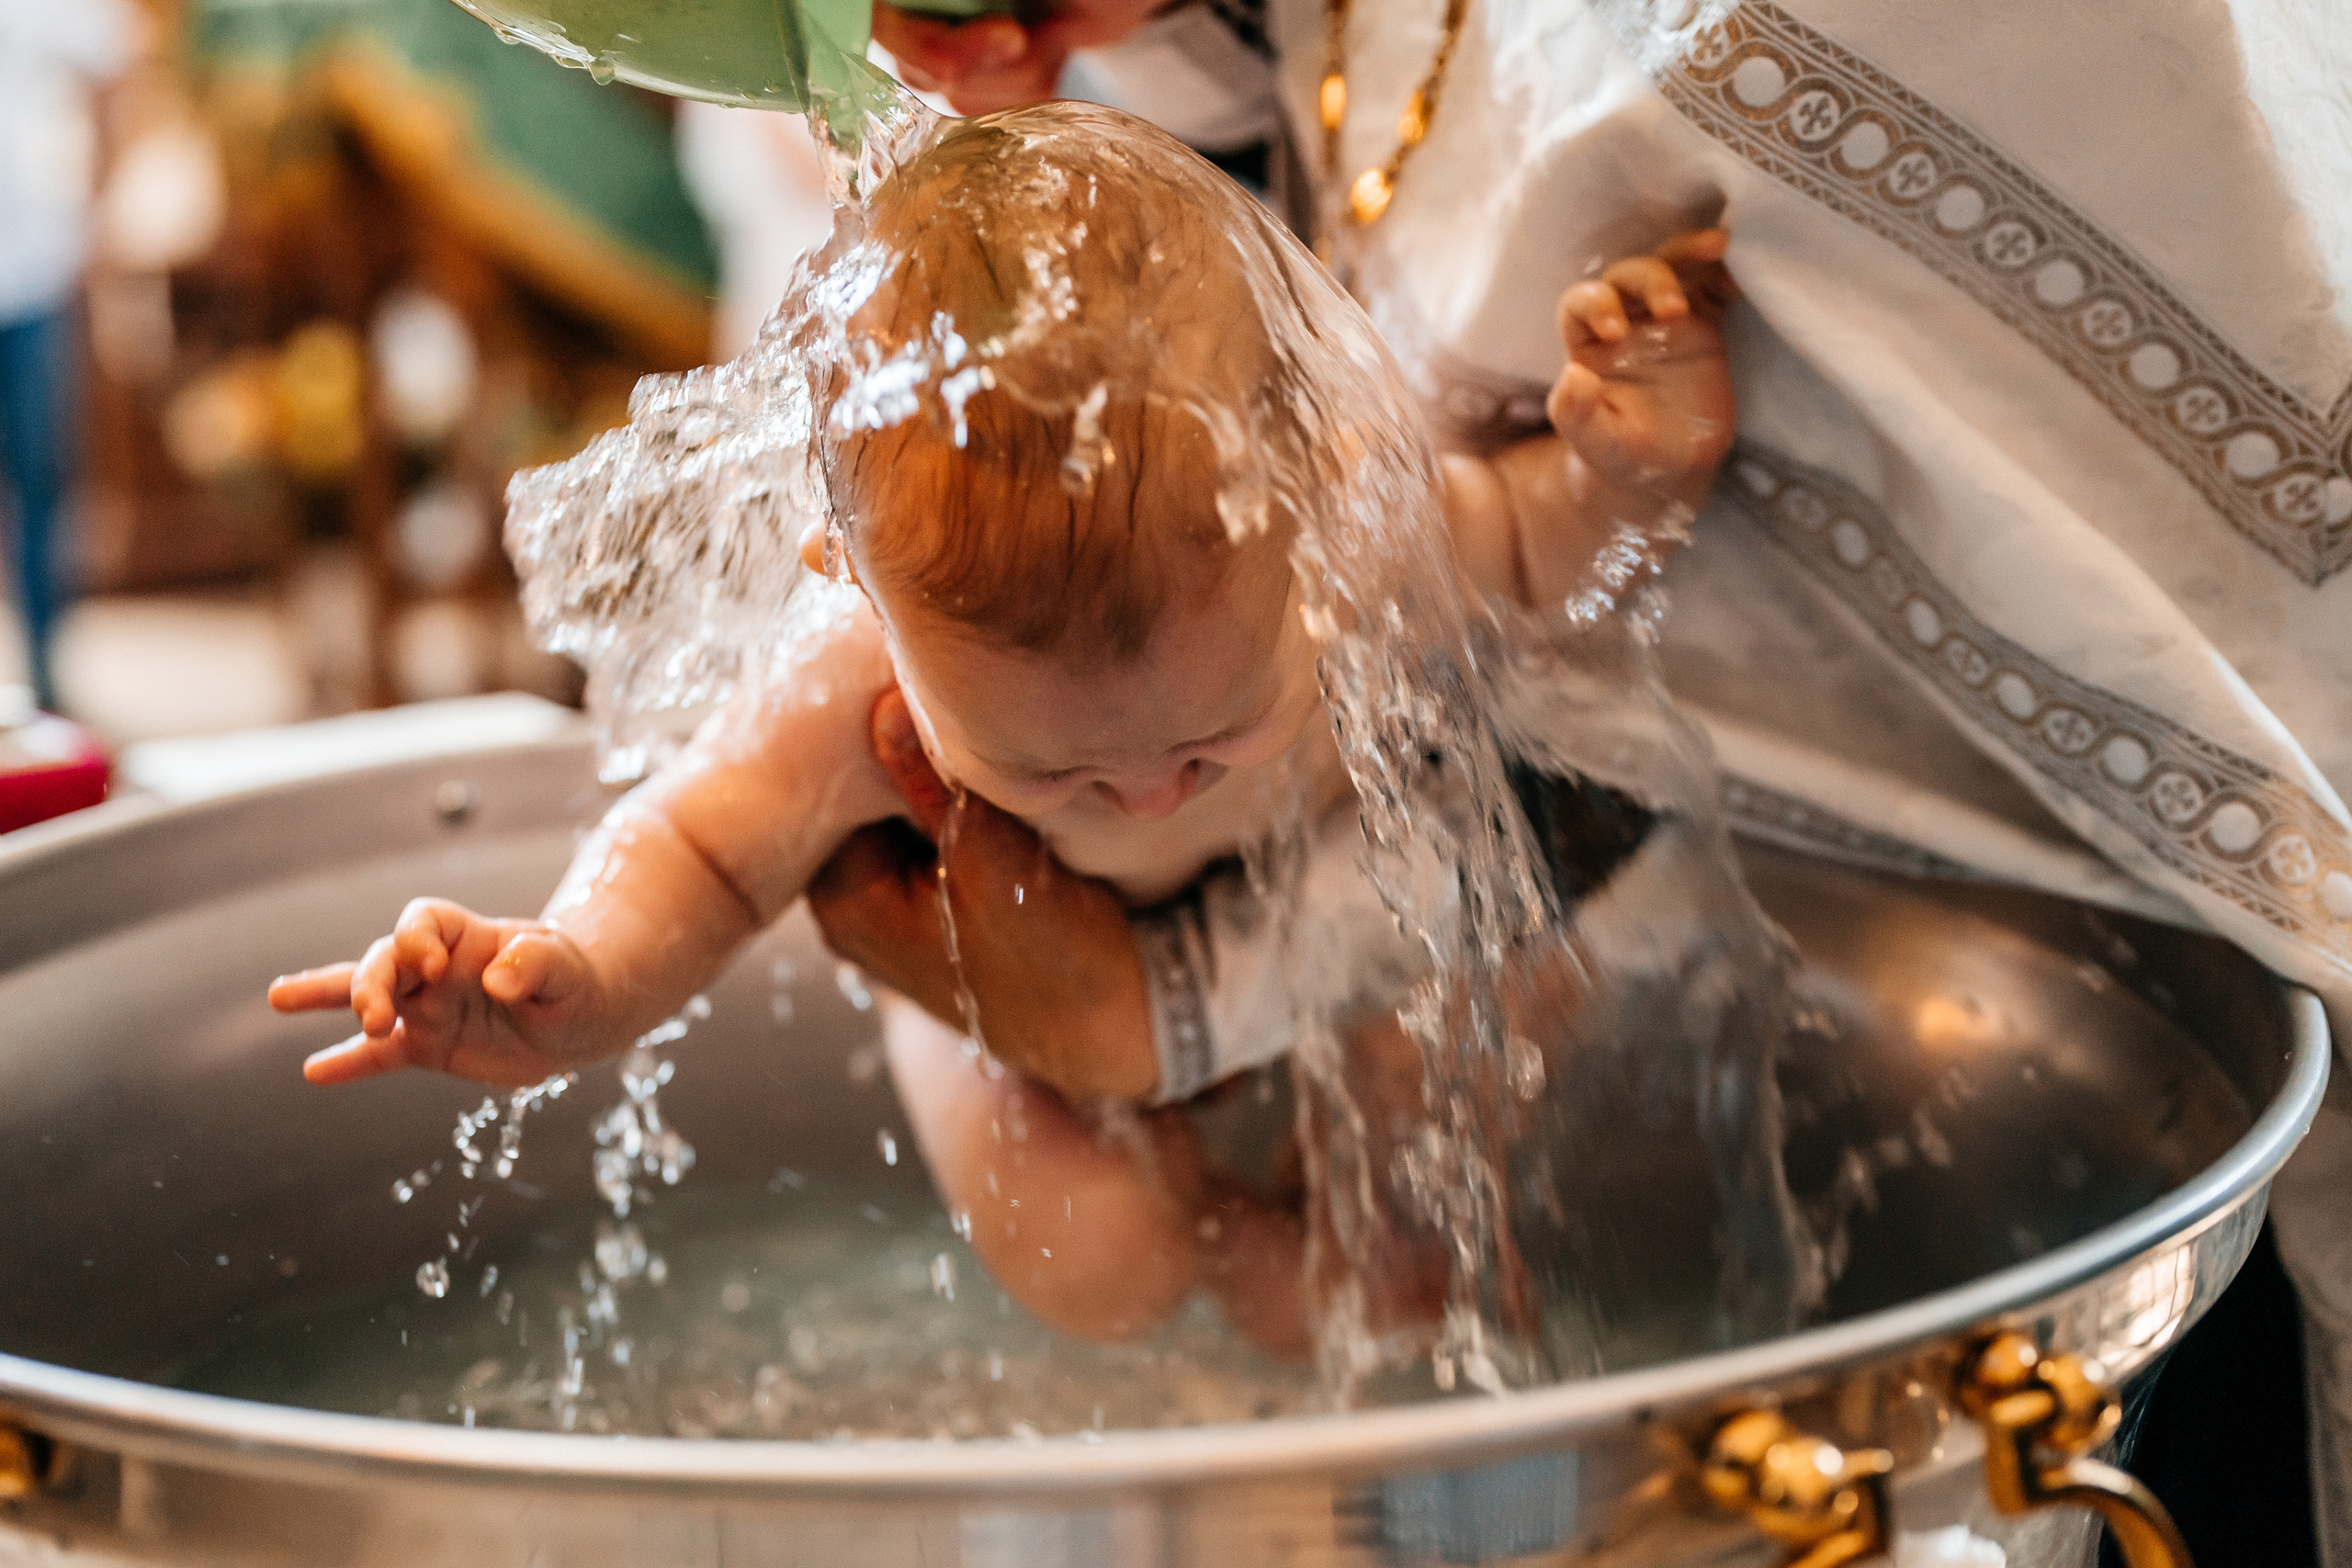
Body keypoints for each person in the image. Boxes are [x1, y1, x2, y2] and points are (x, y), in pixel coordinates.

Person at [269, 103, 1736, 1345]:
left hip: (1314, 916)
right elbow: (700, 848)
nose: (1148, 796)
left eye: (1211, 741)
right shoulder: (859, 665)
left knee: (1494, 1024)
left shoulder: (1348, 533)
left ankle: (1344, 1241)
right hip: (992, 975)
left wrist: (1627, 471)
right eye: (1056, 767)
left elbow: (1544, 557)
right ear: (853, 584)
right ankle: (1218, 1241)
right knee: (1097, 1259)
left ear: (1312, 487)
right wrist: (580, 978)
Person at [0, 0, 139, 713]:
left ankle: (48, 684)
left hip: (30, 277)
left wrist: (97, 210)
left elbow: (118, 68)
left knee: (43, 485)